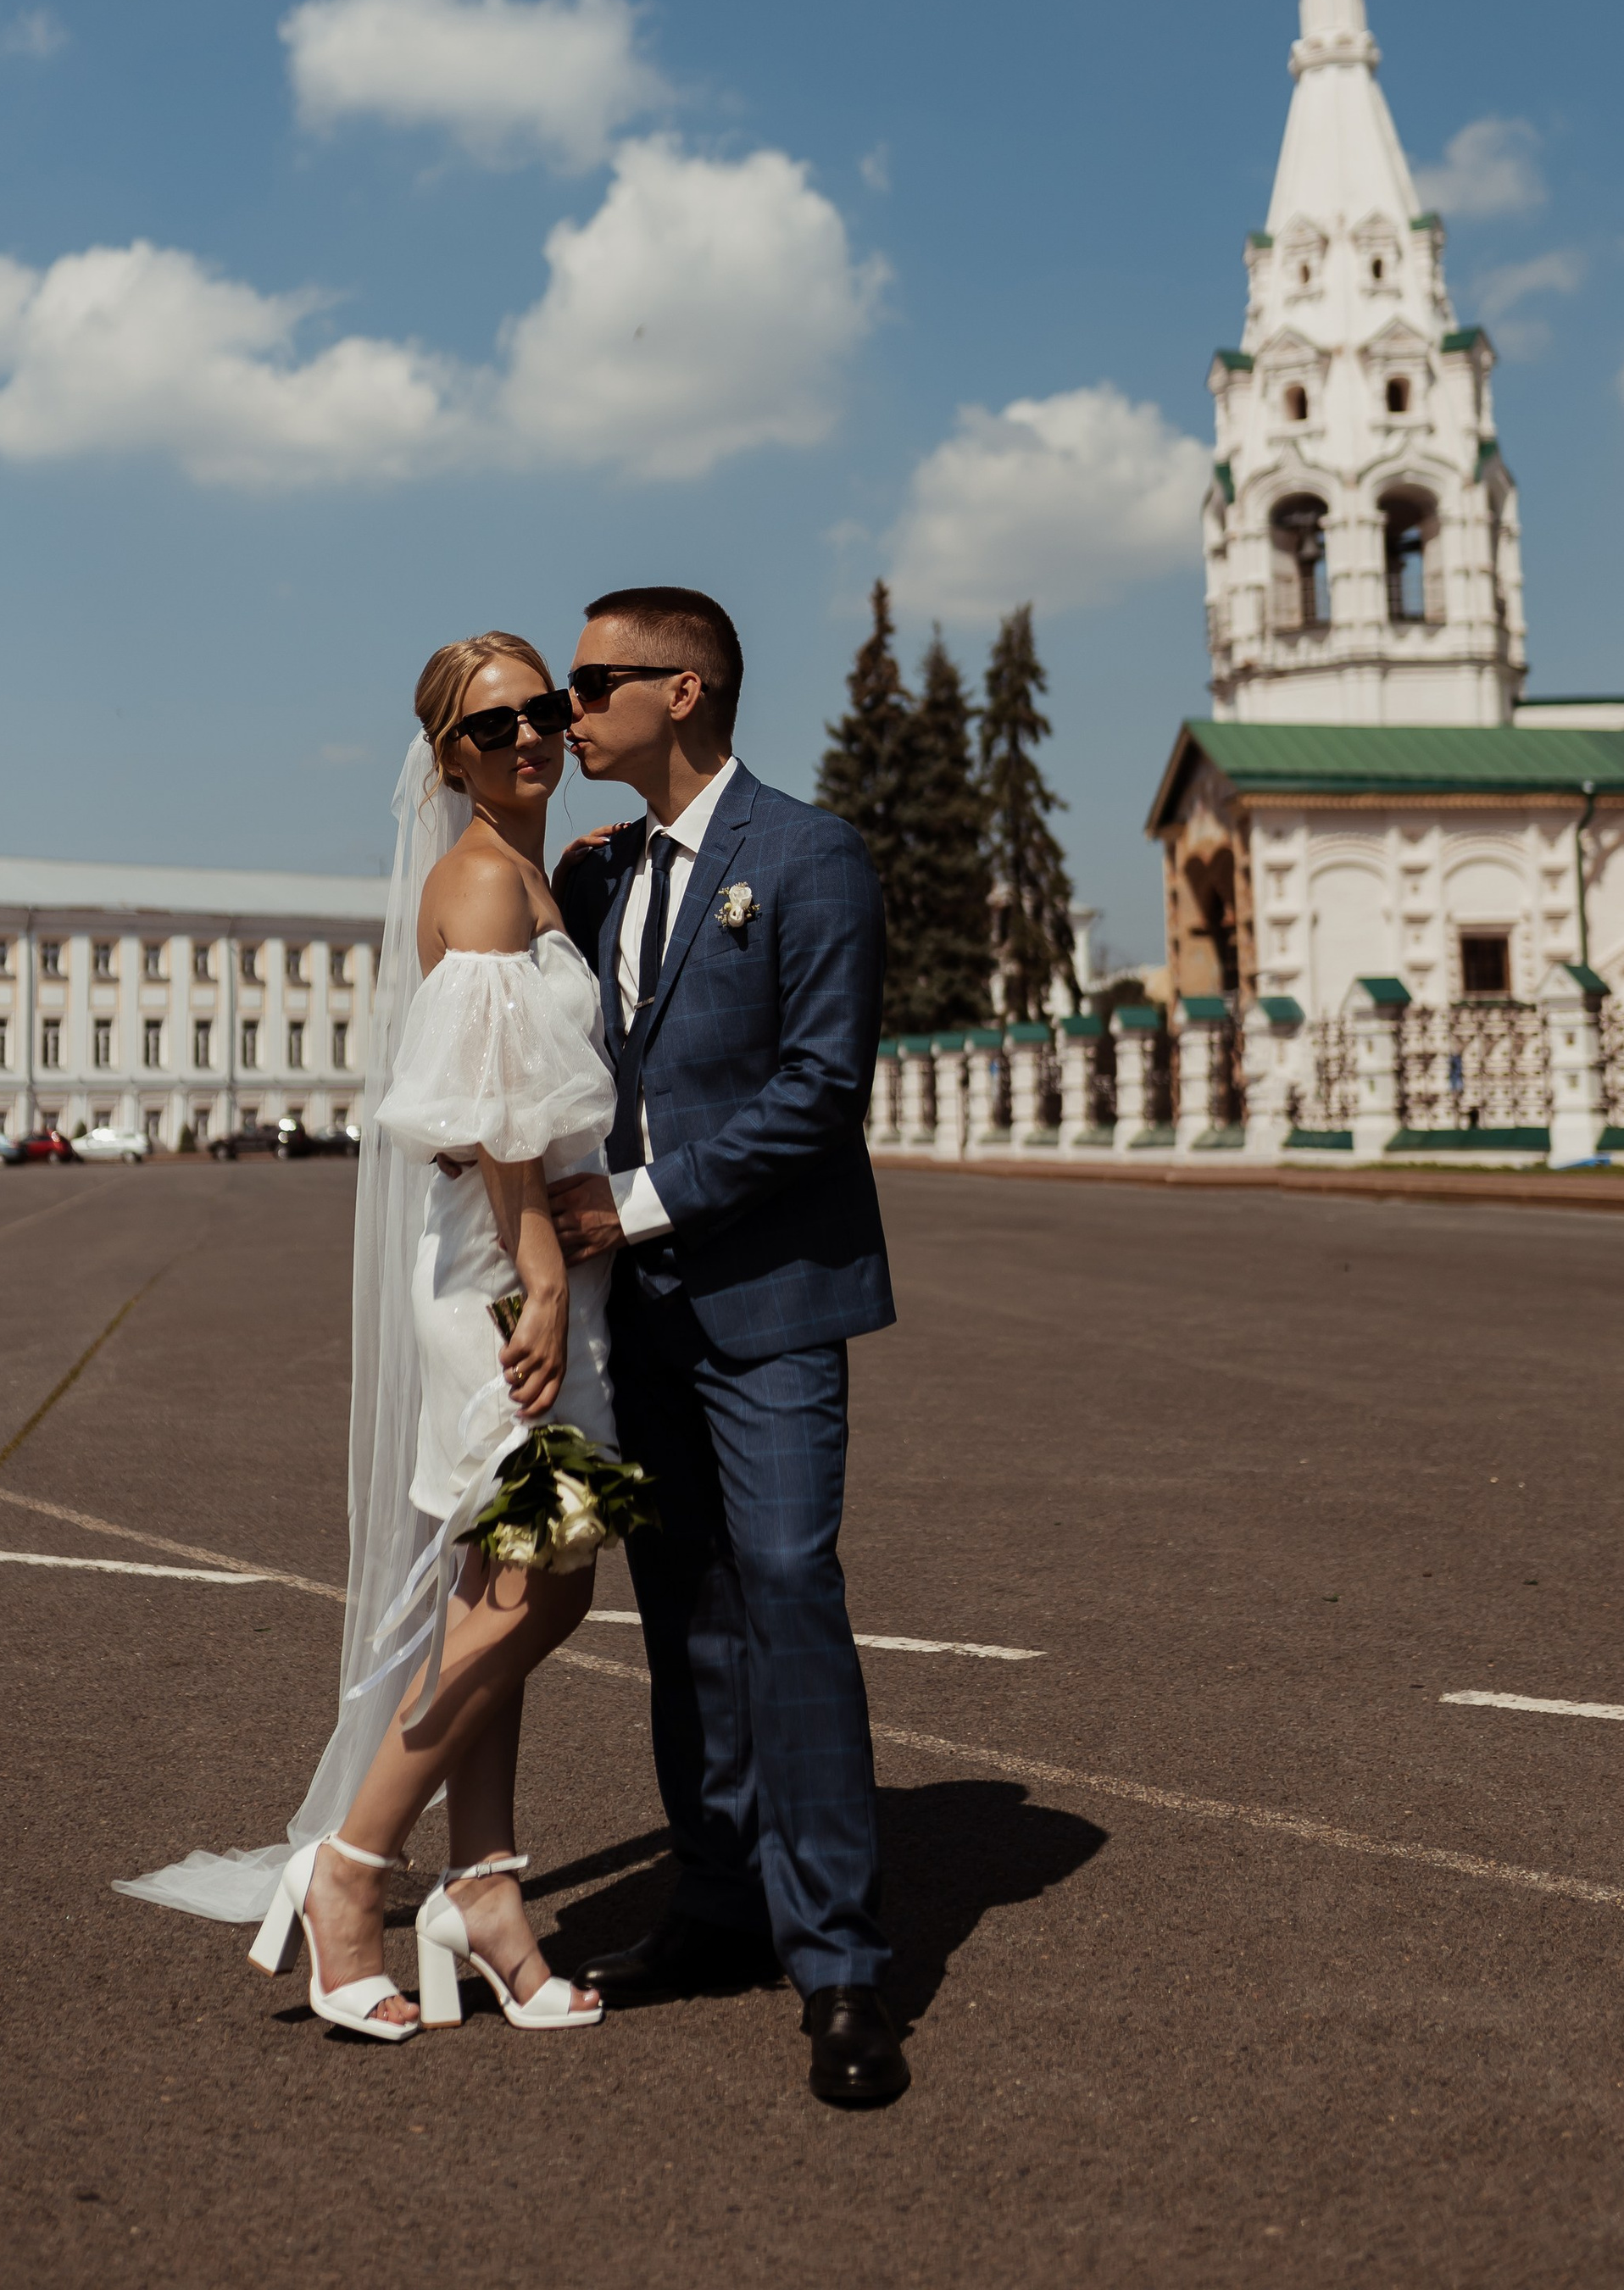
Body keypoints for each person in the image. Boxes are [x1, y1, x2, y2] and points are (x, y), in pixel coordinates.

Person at [117, 631, 626, 2042]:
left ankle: (487, 1885)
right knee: (537, 1589)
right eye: (492, 727)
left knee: (503, 1582)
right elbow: (486, 1114)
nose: (529, 737)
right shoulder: (482, 879)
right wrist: (541, 1280)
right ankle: (350, 1874)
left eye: (543, 709)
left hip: (521, 1266)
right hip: (500, 1273)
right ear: (449, 758)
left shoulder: (526, 872)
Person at [548, 584, 907, 2109]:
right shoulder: (598, 873)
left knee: (784, 1586)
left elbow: (823, 1089)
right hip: (640, 1322)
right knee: (682, 1607)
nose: (568, 712)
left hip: (770, 1303)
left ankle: (840, 1959)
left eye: (590, 685)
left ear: (681, 692)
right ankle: (716, 1903)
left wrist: (635, 1206)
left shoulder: (811, 856)